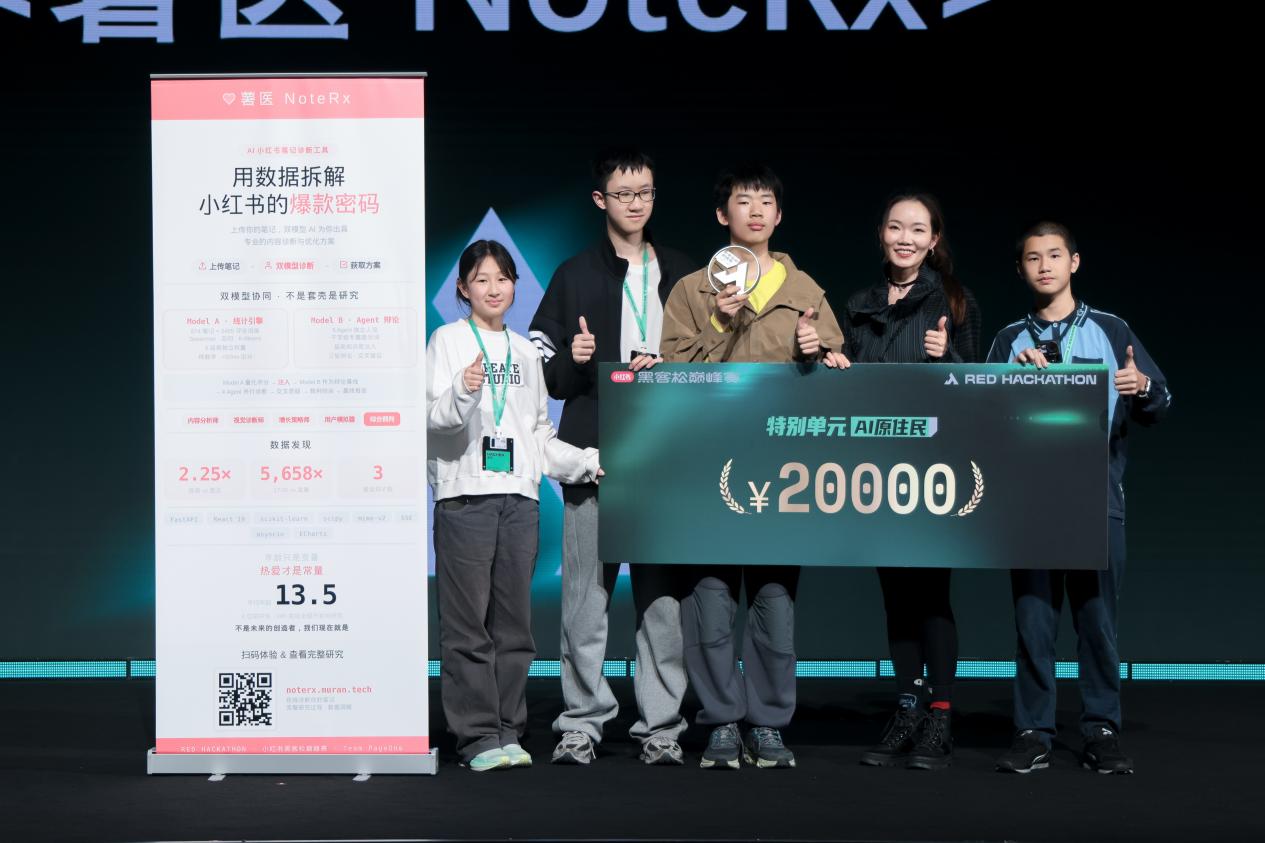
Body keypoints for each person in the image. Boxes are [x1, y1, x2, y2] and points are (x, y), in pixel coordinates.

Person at [660, 163, 844, 769]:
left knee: (774, 598)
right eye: (744, 200)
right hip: (708, 462)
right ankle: (719, 720)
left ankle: (767, 723)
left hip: (781, 468)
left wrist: (819, 352)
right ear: (723, 214)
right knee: (710, 597)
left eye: (766, 200)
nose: (756, 210)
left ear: (779, 214)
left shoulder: (805, 289)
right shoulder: (692, 290)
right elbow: (672, 372)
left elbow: (837, 366)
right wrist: (719, 320)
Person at [528, 149, 696, 765]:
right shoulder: (573, 273)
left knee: (662, 602)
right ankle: (581, 721)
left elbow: (711, 361)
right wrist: (575, 358)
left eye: (645, 192)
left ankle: (662, 727)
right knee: (584, 599)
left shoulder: (684, 272)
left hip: (664, 457)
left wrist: (671, 364)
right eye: (624, 194)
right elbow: (548, 378)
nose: (636, 203)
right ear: (601, 200)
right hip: (592, 452)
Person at [989, 221, 1170, 775]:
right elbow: (983, 422)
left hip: (1097, 502)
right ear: (1020, 269)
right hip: (1031, 509)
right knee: (1034, 624)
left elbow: (1161, 400)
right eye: (1032, 257)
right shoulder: (1008, 341)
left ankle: (1101, 729)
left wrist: (1141, 386)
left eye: (1054, 255)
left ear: (1074, 262)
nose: (1044, 265)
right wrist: (1011, 381)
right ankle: (1032, 731)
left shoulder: (1112, 330)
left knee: (1097, 623)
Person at [427, 239, 602, 772]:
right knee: (468, 628)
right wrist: (464, 389)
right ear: (463, 288)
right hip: (466, 497)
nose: (493, 288)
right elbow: (433, 420)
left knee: (514, 629)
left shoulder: (526, 353)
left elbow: (538, 436)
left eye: (502, 278)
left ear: (514, 285)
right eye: (481, 279)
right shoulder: (448, 340)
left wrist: (585, 461)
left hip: (520, 502)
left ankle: (508, 730)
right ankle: (477, 737)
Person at [842, 193, 981, 771]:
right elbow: (845, 388)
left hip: (932, 469)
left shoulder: (955, 300)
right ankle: (907, 708)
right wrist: (831, 364)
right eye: (896, 227)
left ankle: (940, 716)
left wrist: (947, 357)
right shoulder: (858, 304)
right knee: (895, 595)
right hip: (875, 468)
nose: (906, 238)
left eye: (918, 229)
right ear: (882, 233)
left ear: (933, 239)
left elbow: (977, 390)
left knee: (931, 593)